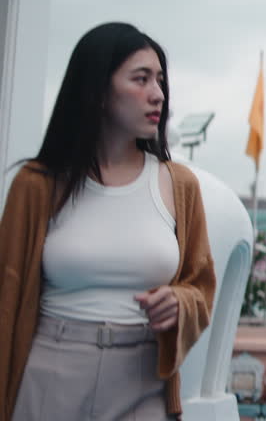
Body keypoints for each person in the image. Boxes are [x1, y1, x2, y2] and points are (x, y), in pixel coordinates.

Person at [0, 22, 216, 420]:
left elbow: (200, 287)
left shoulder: (178, 185)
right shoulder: (37, 185)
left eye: (160, 80)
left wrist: (179, 303)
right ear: (98, 90)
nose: (158, 94)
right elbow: (6, 297)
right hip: (51, 372)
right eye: (141, 79)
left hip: (145, 378)